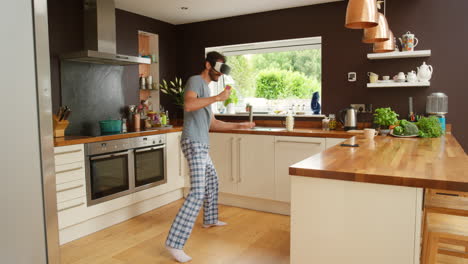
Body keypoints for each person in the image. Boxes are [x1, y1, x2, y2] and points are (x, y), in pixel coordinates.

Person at [165, 51, 255, 263]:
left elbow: (212, 123)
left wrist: (239, 125)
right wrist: (217, 98)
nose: (220, 72)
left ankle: (210, 219)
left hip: (202, 143)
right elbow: (188, 105)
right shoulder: (195, 81)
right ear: (208, 65)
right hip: (194, 142)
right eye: (218, 67)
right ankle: (174, 243)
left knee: (212, 181)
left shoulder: (205, 89)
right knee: (197, 191)